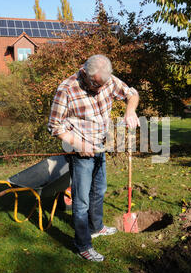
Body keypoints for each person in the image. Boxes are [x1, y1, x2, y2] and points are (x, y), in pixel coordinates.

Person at [48, 54, 140, 261]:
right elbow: (54, 126)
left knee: (99, 190)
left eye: (103, 84)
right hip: (81, 152)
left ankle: (96, 227)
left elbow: (131, 93)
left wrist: (130, 111)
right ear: (85, 74)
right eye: (96, 84)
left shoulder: (108, 80)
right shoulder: (67, 90)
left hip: (101, 146)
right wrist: (78, 145)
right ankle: (82, 245)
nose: (100, 89)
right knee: (81, 201)